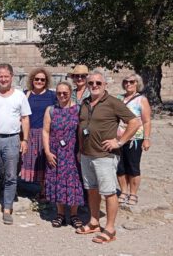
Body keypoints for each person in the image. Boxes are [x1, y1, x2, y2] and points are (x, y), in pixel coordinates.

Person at [76, 71, 141, 244]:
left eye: (98, 83)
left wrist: (119, 141)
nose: (94, 86)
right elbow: (81, 126)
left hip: (105, 156)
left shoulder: (113, 102)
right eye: (91, 83)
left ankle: (110, 229)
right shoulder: (85, 103)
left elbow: (134, 122)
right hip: (86, 155)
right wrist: (80, 149)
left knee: (109, 192)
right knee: (92, 190)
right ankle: (94, 222)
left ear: (105, 85)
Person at [0, 63, 31, 225]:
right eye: (0, 76)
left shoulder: (19, 96)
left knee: (11, 176)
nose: (3, 79)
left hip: (12, 139)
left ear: (11, 77)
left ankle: (7, 209)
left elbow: (25, 118)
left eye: (6, 76)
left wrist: (25, 140)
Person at [42, 82, 84, 228]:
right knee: (57, 182)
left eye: (64, 93)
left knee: (74, 182)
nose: (61, 96)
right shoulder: (51, 110)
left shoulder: (78, 109)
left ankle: (74, 214)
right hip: (55, 151)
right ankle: (60, 214)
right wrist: (47, 152)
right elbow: (46, 131)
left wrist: (81, 150)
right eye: (59, 93)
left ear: (70, 92)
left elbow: (81, 131)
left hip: (73, 151)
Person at [20, 67, 56, 201]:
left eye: (42, 79)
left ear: (46, 81)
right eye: (37, 79)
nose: (39, 81)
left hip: (46, 133)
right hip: (29, 133)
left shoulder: (52, 96)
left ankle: (44, 191)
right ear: (32, 80)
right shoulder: (26, 94)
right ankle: (30, 188)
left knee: (44, 161)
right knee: (29, 161)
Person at [116, 74, 152, 206]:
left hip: (135, 139)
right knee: (120, 167)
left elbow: (147, 121)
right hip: (119, 138)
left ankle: (133, 193)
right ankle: (123, 191)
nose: (128, 84)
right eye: (126, 81)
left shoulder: (142, 100)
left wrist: (147, 139)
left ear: (137, 83)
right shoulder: (119, 98)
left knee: (133, 167)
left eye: (131, 82)